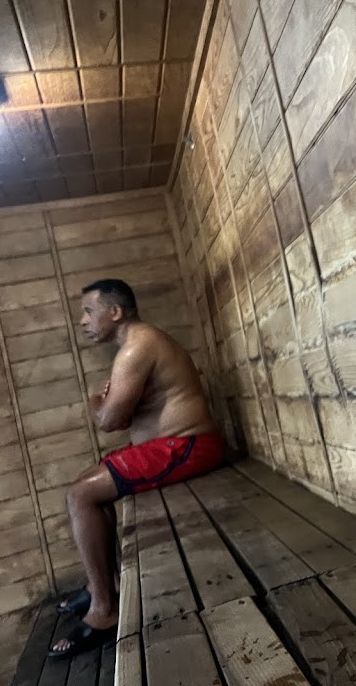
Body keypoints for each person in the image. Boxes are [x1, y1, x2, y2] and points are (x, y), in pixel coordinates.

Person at [48, 279, 223, 659]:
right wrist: (111, 407)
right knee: (87, 483)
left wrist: (96, 402)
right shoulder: (138, 345)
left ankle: (104, 611)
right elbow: (126, 418)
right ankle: (104, 584)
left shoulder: (136, 347)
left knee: (80, 495)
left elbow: (110, 420)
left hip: (189, 446)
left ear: (115, 312)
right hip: (173, 446)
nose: (83, 321)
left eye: (88, 311)